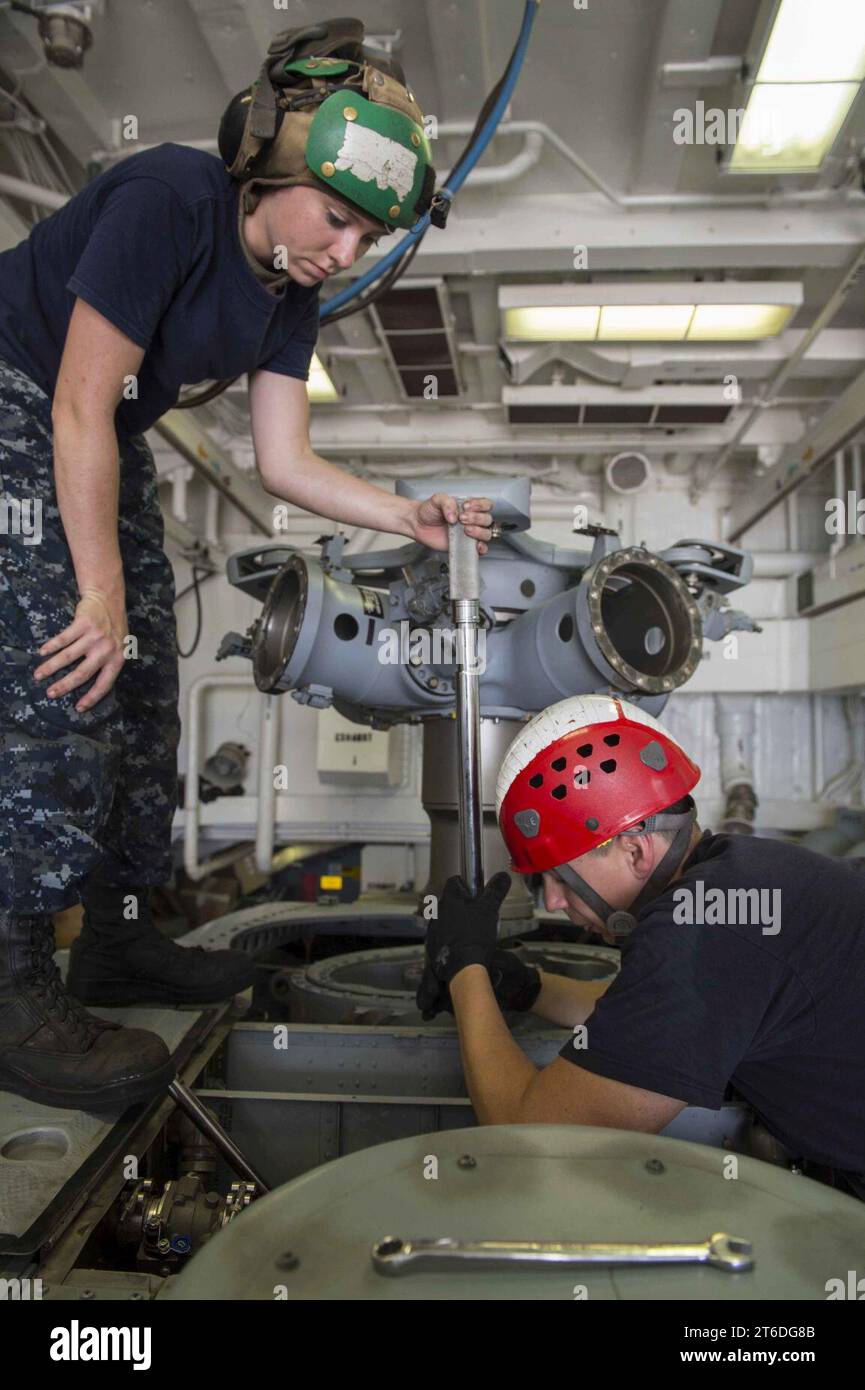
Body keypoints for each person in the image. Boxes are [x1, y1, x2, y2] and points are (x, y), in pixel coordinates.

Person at [0, 18, 492, 1112]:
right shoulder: (167, 197)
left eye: (369, 237)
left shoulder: (290, 293)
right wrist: (97, 588)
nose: (344, 251)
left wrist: (406, 512)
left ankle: (120, 941)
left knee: (142, 690)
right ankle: (14, 988)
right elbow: (77, 398)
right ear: (268, 163)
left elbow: (285, 460)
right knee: (63, 670)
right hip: (18, 391)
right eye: (336, 218)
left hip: (102, 431)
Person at [417, 693, 865, 1202]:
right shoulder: (736, 879)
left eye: (560, 877)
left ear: (634, 848)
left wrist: (464, 969)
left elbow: (537, 1136)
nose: (557, 901)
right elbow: (639, 1009)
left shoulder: (700, 931)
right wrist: (523, 987)